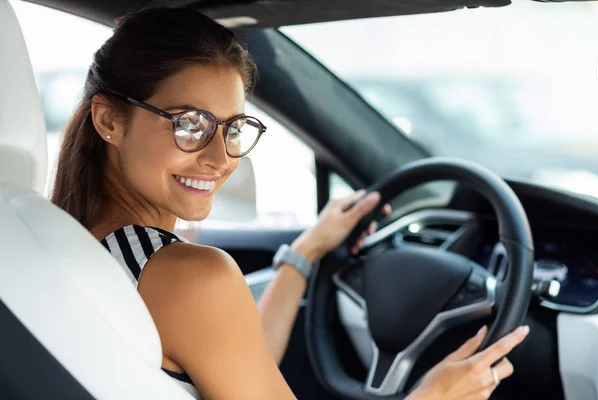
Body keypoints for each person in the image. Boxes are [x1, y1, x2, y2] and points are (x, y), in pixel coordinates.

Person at [51, 8, 529, 400]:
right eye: (190, 124)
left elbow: (235, 362)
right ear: (109, 121)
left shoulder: (63, 240)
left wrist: (304, 254)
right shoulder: (189, 275)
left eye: (234, 128)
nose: (220, 158)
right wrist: (432, 396)